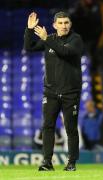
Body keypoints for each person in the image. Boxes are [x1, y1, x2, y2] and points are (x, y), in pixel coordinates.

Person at [24, 11, 83, 171]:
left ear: (70, 24)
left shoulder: (76, 40)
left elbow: (65, 52)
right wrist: (29, 30)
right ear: (54, 25)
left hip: (70, 93)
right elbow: (28, 47)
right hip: (50, 92)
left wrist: (46, 39)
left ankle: (71, 163)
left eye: (66, 23)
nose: (64, 26)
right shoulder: (50, 39)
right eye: (61, 23)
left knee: (71, 128)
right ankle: (47, 162)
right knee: (47, 126)